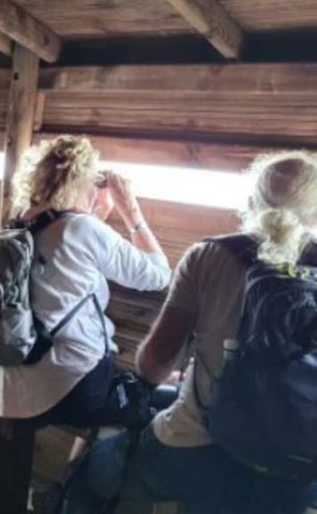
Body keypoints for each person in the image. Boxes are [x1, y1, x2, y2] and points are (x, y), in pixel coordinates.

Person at [65, 151, 317, 514]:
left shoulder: (209, 256)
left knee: (88, 468)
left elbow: (153, 365)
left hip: (199, 448)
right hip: (299, 470)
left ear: (252, 201)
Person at [0, 135, 172, 513]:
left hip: (13, 380)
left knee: (121, 396)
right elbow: (158, 275)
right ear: (84, 181)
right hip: (71, 386)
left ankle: (60, 490)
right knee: (137, 404)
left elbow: (67, 257)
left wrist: (92, 212)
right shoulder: (81, 229)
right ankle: (71, 494)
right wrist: (130, 210)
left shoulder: (21, 218)